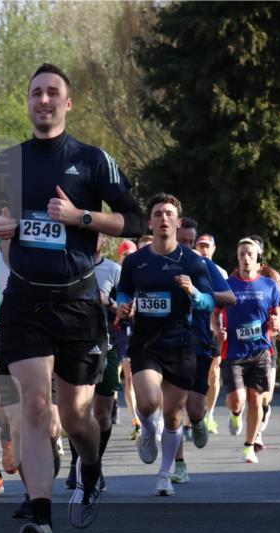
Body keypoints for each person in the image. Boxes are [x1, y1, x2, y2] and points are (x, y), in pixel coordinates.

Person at [0, 63, 145, 533]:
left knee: (76, 417)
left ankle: (92, 466)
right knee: (34, 407)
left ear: (67, 103)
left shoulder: (92, 160)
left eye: (53, 92)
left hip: (78, 303)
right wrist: (0, 230)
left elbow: (134, 217)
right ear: (28, 102)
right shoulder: (9, 163)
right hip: (26, 303)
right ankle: (41, 519)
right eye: (36, 93)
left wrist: (82, 217)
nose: (44, 100)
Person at [115, 193, 214, 496]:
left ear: (178, 221)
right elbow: (123, 292)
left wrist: (194, 292)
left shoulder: (194, 262)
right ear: (150, 221)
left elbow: (209, 302)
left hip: (180, 343)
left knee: (173, 417)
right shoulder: (135, 261)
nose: (163, 218)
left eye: (169, 213)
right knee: (147, 402)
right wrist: (123, 306)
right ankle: (147, 429)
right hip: (145, 342)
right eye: (157, 213)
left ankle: (165, 473)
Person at [171, 218, 235, 484]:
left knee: (194, 408)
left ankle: (198, 421)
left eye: (190, 242)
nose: (187, 247)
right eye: (182, 241)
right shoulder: (160, 262)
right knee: (172, 407)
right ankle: (178, 465)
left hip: (198, 342)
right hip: (167, 341)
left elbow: (230, 297)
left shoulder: (204, 265)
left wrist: (198, 290)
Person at [218, 238, 280, 463]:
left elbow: (277, 314)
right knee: (237, 400)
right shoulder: (227, 285)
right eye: (241, 255)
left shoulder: (269, 285)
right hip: (233, 352)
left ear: (258, 258)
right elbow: (213, 312)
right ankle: (236, 414)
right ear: (237, 259)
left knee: (255, 399)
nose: (246, 258)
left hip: (260, 351)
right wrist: (217, 329)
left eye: (250, 254)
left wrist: (277, 326)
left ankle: (249, 446)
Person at [66, 233, 121, 492]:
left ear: (103, 240)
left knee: (101, 414)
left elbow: (127, 307)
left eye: (96, 236)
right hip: (74, 347)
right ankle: (79, 463)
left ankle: (94, 462)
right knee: (76, 412)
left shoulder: (113, 269)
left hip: (106, 346)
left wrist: (108, 301)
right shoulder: (68, 264)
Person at [194, 233, 226, 433]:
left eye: (208, 246)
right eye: (201, 245)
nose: (204, 249)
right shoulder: (190, 267)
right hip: (193, 327)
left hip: (214, 328)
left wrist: (224, 326)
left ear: (214, 249)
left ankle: (210, 414)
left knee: (214, 371)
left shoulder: (220, 272)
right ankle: (192, 416)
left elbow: (228, 303)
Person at [116, 240, 140, 441]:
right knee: (129, 375)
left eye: (132, 254)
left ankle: (150, 414)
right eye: (125, 255)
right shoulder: (117, 274)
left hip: (142, 330)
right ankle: (136, 420)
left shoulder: (142, 274)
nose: (128, 258)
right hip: (122, 331)